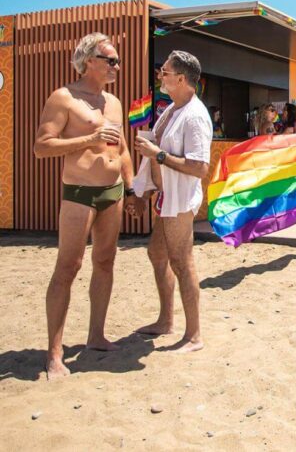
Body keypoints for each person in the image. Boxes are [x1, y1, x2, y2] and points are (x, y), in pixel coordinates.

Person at [34, 32, 139, 378]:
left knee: (105, 261)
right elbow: (42, 147)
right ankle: (54, 353)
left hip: (113, 191)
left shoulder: (114, 101)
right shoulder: (64, 98)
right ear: (89, 60)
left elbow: (122, 147)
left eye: (117, 61)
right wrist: (90, 139)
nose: (117, 67)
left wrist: (133, 186)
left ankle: (96, 336)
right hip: (79, 192)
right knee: (69, 266)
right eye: (111, 60)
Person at [132, 50, 213, 352]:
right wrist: (142, 189)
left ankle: (194, 335)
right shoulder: (172, 110)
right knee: (157, 253)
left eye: (164, 71)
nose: (160, 75)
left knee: (182, 261)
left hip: (180, 200)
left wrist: (158, 155)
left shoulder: (194, 116)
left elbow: (200, 167)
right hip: (167, 197)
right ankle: (166, 320)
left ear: (180, 79)